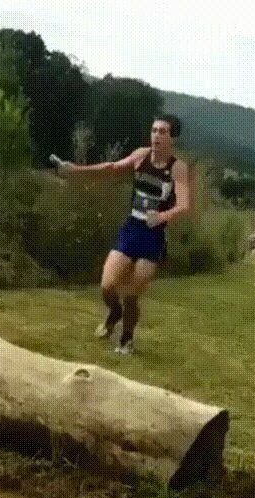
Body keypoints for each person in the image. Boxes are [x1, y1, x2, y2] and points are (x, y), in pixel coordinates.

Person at [52, 116, 191, 354]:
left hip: (153, 236)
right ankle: (113, 313)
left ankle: (126, 340)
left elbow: (184, 205)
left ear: (173, 138)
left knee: (132, 295)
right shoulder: (140, 156)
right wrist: (75, 170)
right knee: (107, 285)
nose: (156, 136)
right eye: (154, 130)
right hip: (132, 228)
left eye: (163, 132)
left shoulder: (177, 168)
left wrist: (162, 217)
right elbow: (111, 168)